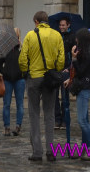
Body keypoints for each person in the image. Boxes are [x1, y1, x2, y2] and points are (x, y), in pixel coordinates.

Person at [19, 10, 65, 163]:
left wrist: (26, 71)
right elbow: (61, 58)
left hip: (34, 77)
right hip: (49, 79)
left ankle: (37, 151)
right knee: (50, 114)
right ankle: (50, 151)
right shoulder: (57, 35)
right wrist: (55, 70)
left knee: (34, 113)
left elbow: (23, 58)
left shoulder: (30, 35)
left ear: (37, 22)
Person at [71, 28, 90, 159]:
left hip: (85, 87)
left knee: (82, 121)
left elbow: (81, 71)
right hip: (82, 86)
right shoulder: (84, 52)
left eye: (77, 38)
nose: (75, 41)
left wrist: (74, 59)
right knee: (84, 119)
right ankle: (84, 148)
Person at [2, 27, 25, 137]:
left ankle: (17, 126)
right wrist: (2, 72)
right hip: (7, 79)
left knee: (19, 104)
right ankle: (7, 126)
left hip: (19, 79)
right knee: (7, 104)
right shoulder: (5, 48)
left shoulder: (22, 48)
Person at [54, 17, 75, 132]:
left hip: (66, 70)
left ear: (68, 25)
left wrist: (69, 68)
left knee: (65, 96)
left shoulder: (72, 37)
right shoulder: (56, 36)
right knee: (55, 96)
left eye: (63, 25)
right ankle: (57, 119)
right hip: (56, 69)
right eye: (60, 25)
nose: (61, 27)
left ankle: (65, 120)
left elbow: (74, 55)